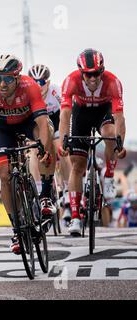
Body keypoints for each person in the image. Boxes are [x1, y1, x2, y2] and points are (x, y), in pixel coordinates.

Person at [0, 54, 56, 254]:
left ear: (18, 77)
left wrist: (44, 148)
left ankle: (45, 194)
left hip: (29, 122)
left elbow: (42, 122)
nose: (2, 84)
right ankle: (17, 230)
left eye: (8, 79)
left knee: (47, 135)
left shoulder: (30, 87)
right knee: (4, 174)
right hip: (3, 129)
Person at [59, 48, 127, 236]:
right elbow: (65, 114)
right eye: (88, 75)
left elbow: (119, 116)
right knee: (77, 166)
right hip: (81, 114)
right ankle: (75, 216)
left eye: (97, 73)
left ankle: (109, 175)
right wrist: (63, 140)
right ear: (81, 72)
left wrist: (120, 143)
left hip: (102, 113)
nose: (93, 78)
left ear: (102, 70)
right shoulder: (71, 81)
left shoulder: (113, 82)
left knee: (110, 133)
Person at [28, 64, 72, 222]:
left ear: (48, 82)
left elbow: (66, 115)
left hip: (56, 118)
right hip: (38, 123)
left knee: (61, 150)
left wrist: (63, 138)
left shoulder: (55, 91)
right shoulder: (28, 94)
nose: (38, 87)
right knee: (34, 151)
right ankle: (40, 189)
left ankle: (67, 191)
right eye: (34, 83)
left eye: (41, 83)